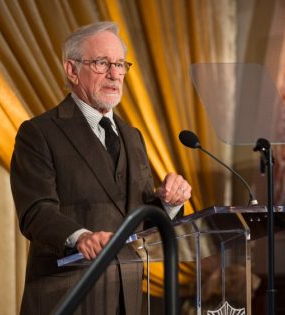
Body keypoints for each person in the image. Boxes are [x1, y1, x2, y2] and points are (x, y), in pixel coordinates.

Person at [10, 21, 192, 315]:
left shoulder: (133, 136)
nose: (114, 74)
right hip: (69, 296)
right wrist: (80, 237)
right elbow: (35, 211)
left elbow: (137, 218)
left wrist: (170, 204)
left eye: (120, 64)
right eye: (101, 63)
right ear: (72, 70)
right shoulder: (39, 132)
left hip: (128, 299)